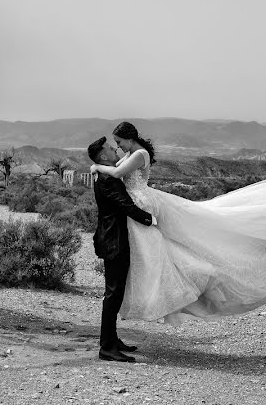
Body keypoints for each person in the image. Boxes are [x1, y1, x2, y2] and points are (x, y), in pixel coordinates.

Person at [90, 121, 266, 323]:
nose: (118, 147)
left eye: (119, 142)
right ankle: (149, 298)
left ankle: (172, 291)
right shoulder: (131, 153)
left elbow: (115, 172)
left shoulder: (137, 155)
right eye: (115, 145)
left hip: (143, 203)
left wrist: (96, 166)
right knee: (158, 251)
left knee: (166, 247)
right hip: (141, 204)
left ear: (128, 139)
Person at [87, 136, 156, 362]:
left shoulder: (104, 174)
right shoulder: (109, 179)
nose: (114, 149)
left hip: (111, 240)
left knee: (114, 293)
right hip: (114, 242)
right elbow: (126, 205)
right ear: (104, 156)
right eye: (109, 148)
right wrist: (150, 219)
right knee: (113, 293)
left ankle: (112, 340)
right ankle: (107, 347)